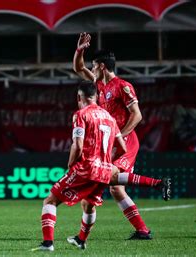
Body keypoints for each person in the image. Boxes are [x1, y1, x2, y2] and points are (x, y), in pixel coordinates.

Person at [33, 82, 170, 251]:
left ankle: (48, 243)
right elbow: (123, 147)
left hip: (86, 168)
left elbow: (78, 144)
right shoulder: (109, 117)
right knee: (89, 204)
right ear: (97, 97)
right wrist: (107, 163)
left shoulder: (80, 115)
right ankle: (81, 240)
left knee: (50, 200)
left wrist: (71, 164)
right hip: (103, 170)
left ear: (78, 97)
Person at [73, 32, 171, 239]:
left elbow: (137, 115)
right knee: (116, 189)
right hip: (109, 142)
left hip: (125, 141)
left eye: (93, 65)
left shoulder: (123, 86)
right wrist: (80, 50)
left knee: (107, 180)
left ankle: (157, 183)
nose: (91, 69)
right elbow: (78, 68)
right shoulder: (98, 84)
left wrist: (120, 136)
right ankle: (143, 231)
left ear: (101, 66)